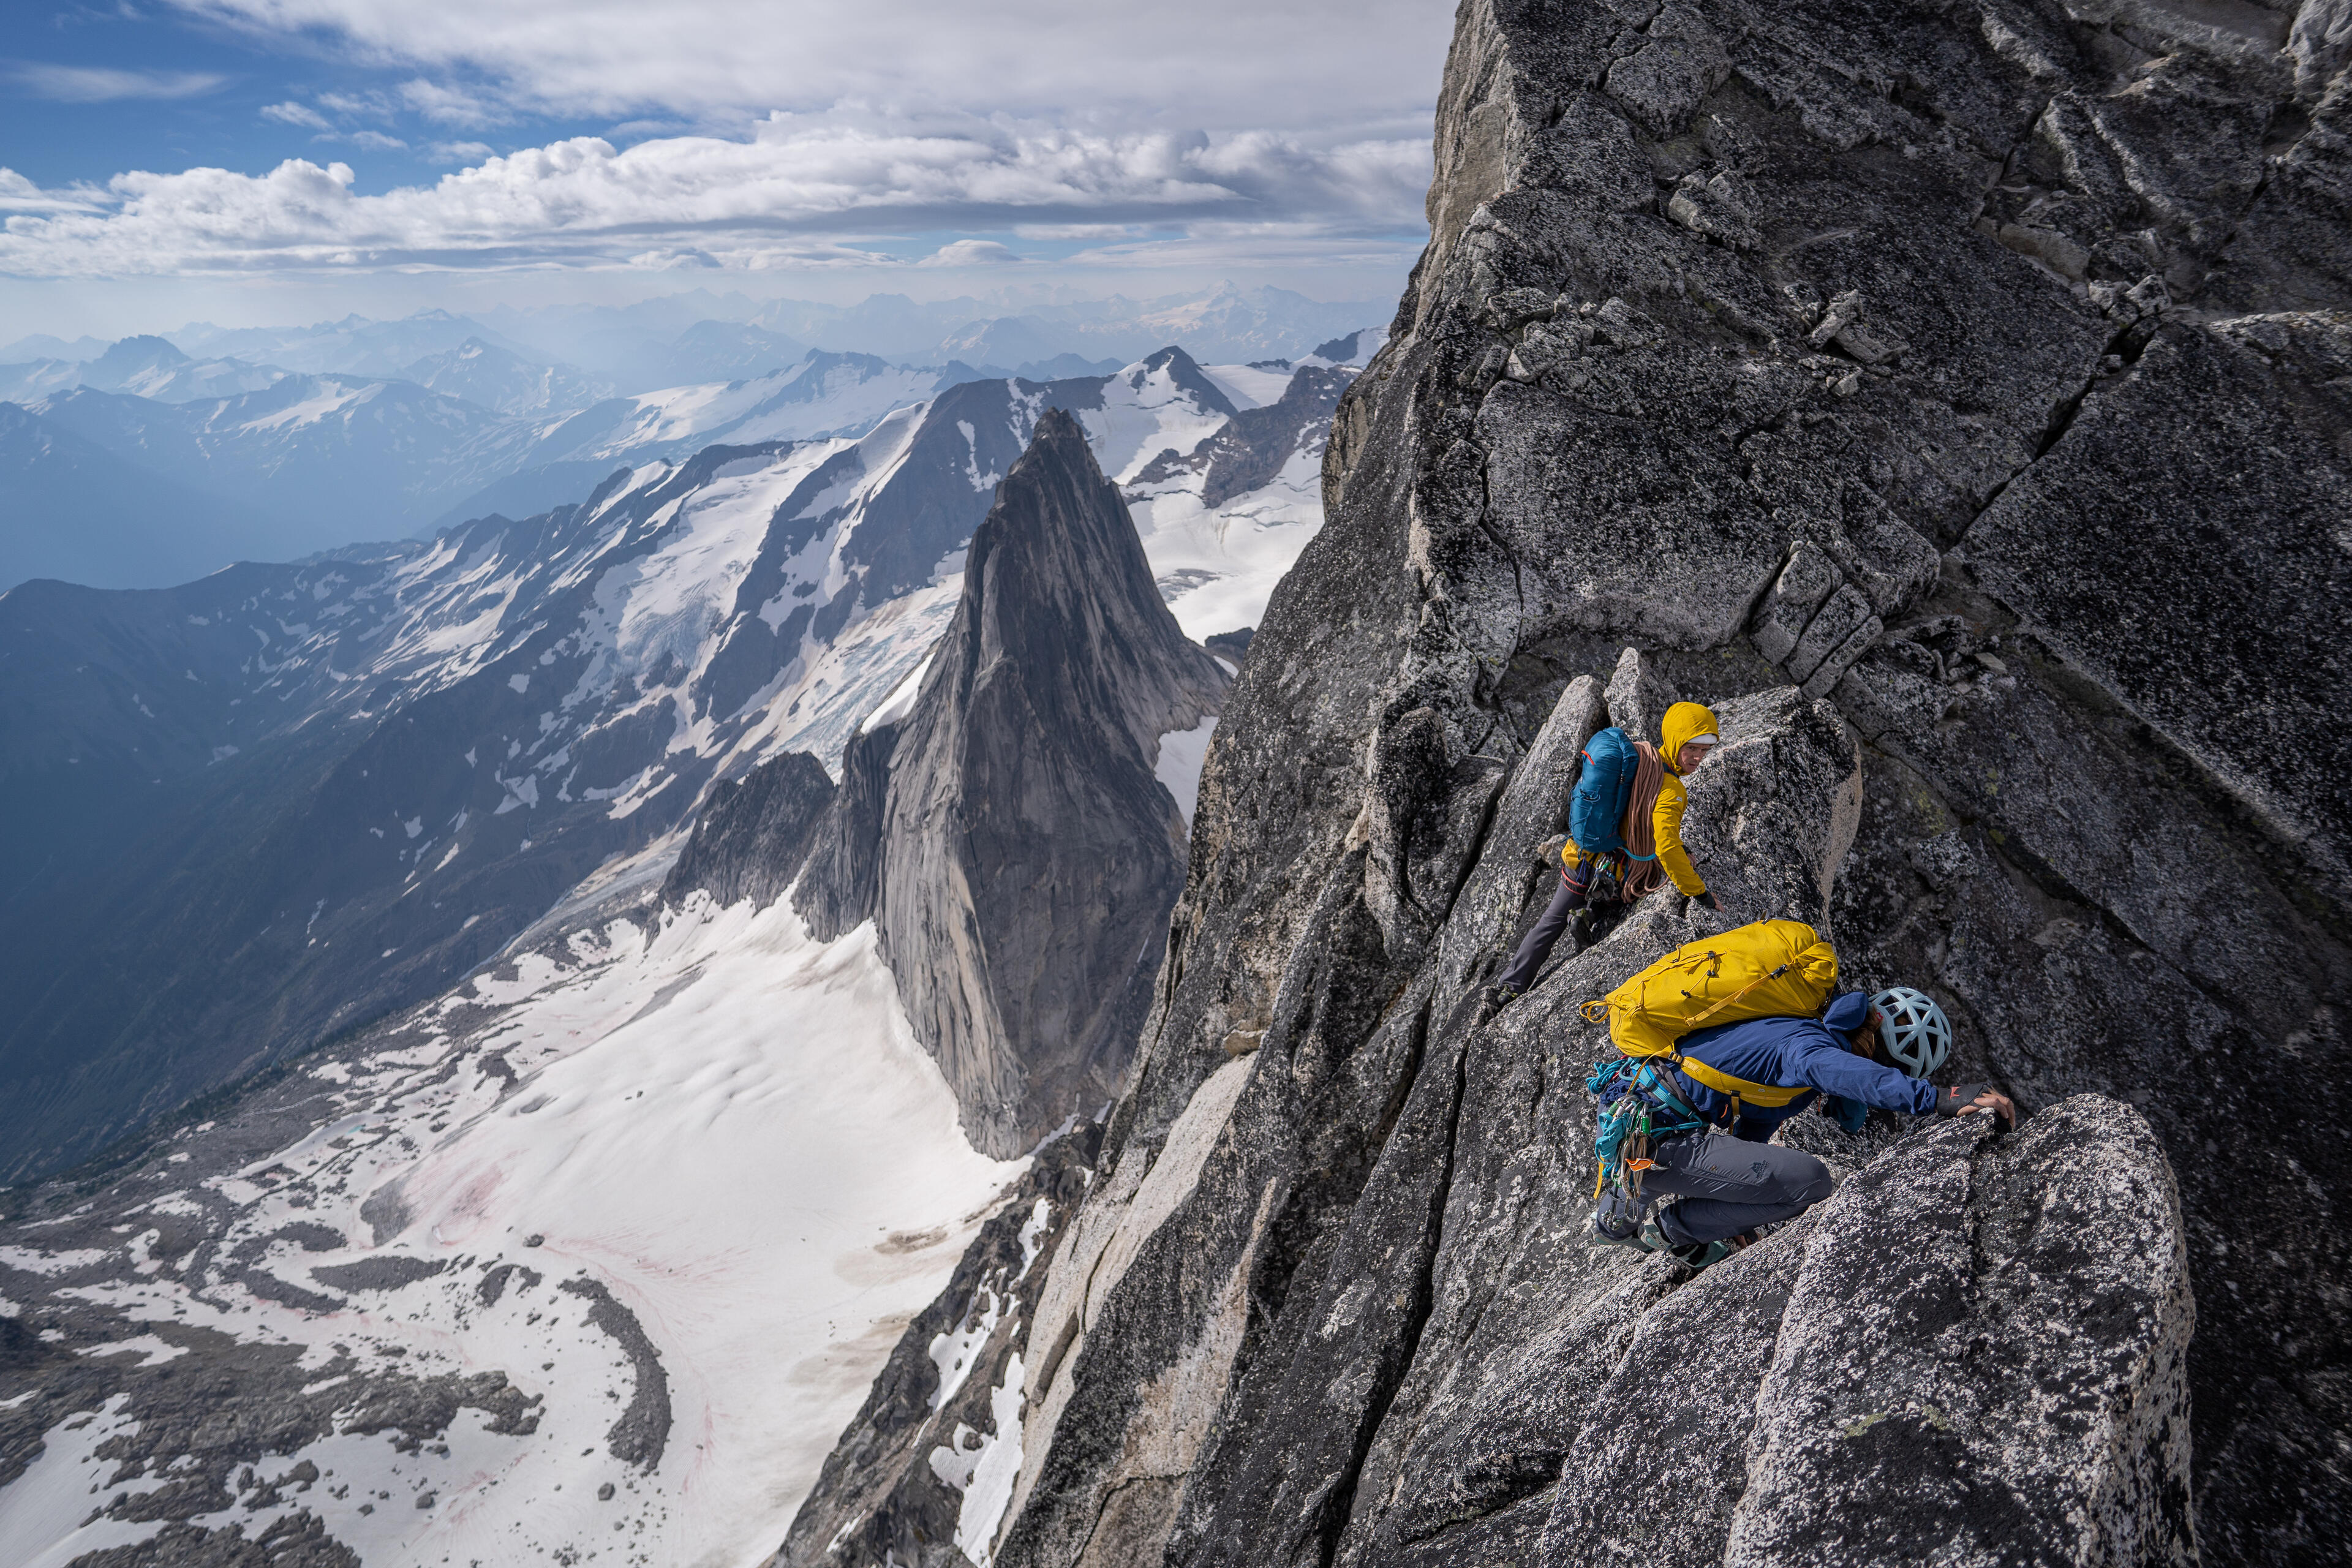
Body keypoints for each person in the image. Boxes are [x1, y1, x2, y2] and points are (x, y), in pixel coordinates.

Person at [1591, 987, 2016, 1268]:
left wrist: (1731, 1217)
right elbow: (1851, 1076)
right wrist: (1940, 1099)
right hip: (1653, 1134)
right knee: (1811, 1183)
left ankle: (1627, 1212)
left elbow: (1753, 1131)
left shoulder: (1798, 1028)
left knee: (1782, 1179)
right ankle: (1660, 1229)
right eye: (1884, 1066)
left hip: (1642, 1110)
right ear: (1875, 1052)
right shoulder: (1810, 1048)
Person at [1486, 700, 1728, 1014]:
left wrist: (1680, 848)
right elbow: (1665, 845)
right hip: (1616, 871)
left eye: (1704, 751)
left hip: (1582, 857)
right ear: (1674, 740)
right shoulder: (1671, 790)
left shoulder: (1637, 758)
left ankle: (1509, 988)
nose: (1697, 757)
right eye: (1691, 748)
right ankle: (1589, 914)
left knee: (1550, 922)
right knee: (1635, 889)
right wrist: (1699, 892)